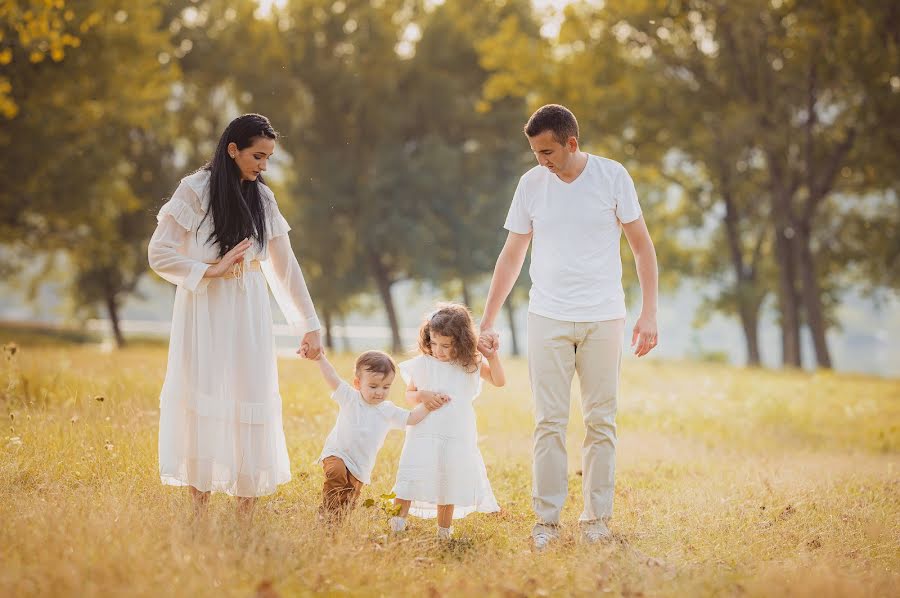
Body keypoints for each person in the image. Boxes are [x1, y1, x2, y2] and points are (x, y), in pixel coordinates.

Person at [478, 104, 659, 550]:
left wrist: (649, 312)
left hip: (604, 317)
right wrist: (487, 319)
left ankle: (596, 519)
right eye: (536, 153)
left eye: (547, 152)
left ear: (571, 143)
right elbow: (512, 254)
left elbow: (641, 247)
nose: (542, 160)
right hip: (548, 318)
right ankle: (547, 522)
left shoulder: (612, 177)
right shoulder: (531, 184)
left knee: (601, 422)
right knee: (549, 422)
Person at [148, 113, 321, 516]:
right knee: (202, 391)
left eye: (268, 158)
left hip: (249, 307)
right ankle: (199, 505)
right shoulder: (194, 190)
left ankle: (246, 507)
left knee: (251, 392)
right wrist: (209, 270)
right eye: (257, 156)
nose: (263, 166)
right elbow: (159, 252)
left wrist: (308, 326)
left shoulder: (263, 198)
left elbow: (284, 266)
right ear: (232, 149)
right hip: (204, 305)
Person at [390, 303, 505, 540]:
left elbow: (499, 380)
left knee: (448, 481)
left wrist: (492, 356)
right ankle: (396, 526)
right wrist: (423, 396)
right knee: (411, 477)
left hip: (456, 433)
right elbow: (409, 395)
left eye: (446, 345)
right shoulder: (423, 364)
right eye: (433, 343)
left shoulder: (469, 365)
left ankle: (444, 532)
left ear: (461, 342)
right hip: (424, 432)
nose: (438, 351)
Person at [312, 349, 442, 520]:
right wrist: (320, 358)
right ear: (358, 383)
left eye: (386, 387)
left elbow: (411, 418)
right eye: (373, 386)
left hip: (360, 464)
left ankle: (336, 520)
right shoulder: (350, 397)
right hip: (337, 452)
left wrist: (428, 405)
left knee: (349, 498)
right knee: (336, 474)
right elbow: (332, 377)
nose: (379, 392)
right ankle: (327, 512)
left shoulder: (387, 410)